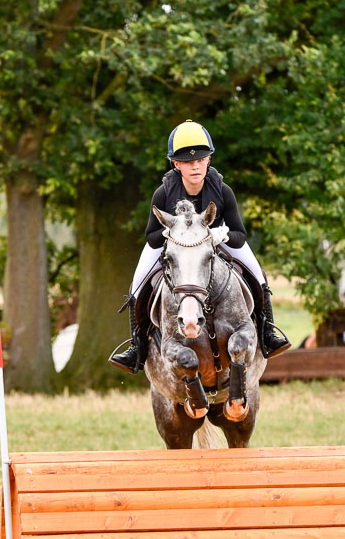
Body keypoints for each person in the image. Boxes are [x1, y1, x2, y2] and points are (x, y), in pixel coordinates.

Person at [108, 119, 291, 374]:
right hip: (175, 248)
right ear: (176, 164)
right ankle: (137, 348)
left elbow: (239, 234)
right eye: (187, 161)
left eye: (200, 160)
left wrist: (219, 234)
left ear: (208, 161)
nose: (195, 165)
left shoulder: (223, 190)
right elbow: (151, 238)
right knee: (137, 286)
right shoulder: (163, 193)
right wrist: (177, 237)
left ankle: (267, 331)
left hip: (216, 244)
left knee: (259, 276)